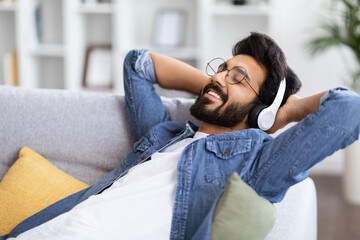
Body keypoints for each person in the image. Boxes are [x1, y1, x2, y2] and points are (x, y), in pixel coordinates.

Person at [2, 32, 360, 240]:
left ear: (262, 111)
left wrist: (286, 113)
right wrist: (215, 85)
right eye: (221, 69)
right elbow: (137, 64)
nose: (220, 77)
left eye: (239, 78)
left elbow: (349, 110)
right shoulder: (163, 135)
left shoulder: (253, 165)